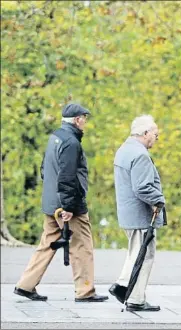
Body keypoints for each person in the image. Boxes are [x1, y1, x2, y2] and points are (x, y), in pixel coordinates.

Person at [14, 103, 108, 302]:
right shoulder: (71, 143)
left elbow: (44, 169)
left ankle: (26, 285)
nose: (85, 122)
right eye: (84, 118)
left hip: (51, 202)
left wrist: (55, 199)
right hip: (68, 206)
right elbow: (67, 177)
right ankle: (85, 291)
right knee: (82, 245)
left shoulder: (55, 137)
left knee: (47, 243)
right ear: (76, 120)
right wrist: (68, 206)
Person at [109, 115, 165, 312]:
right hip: (140, 215)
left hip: (128, 213)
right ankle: (133, 296)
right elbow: (142, 187)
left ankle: (125, 288)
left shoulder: (124, 150)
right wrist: (159, 200)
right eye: (155, 135)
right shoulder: (140, 154)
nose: (156, 139)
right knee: (144, 255)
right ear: (145, 133)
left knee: (135, 253)